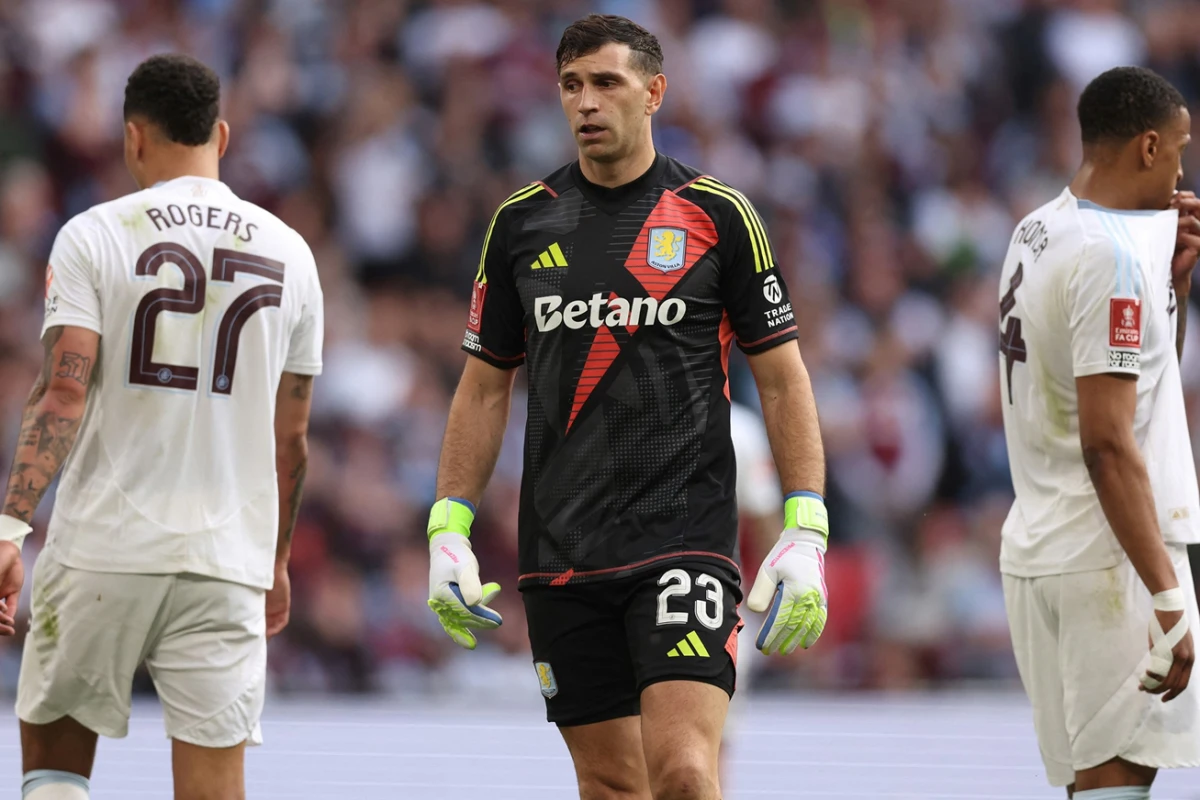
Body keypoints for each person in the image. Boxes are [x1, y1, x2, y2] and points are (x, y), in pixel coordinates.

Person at [425, 14, 829, 800]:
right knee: (612, 786)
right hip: (562, 549)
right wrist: (448, 527)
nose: (586, 102)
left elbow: (783, 377)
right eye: (571, 85)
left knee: (685, 772)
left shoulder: (717, 214)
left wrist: (805, 522)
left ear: (654, 92)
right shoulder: (520, 223)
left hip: (684, 538)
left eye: (606, 82)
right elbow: (483, 386)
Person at [0, 54, 324, 800]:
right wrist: (275, 561)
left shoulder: (94, 235)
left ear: (133, 137)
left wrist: (11, 529)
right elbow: (292, 438)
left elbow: (62, 393)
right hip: (227, 559)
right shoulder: (291, 254)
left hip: (103, 547)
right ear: (222, 135)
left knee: (55, 769)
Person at [997, 65, 1200, 799]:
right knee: (1117, 781)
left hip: (1041, 546)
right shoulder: (1108, 258)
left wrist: (1173, 288)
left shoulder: (1036, 230)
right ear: (1148, 147)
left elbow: (1136, 386)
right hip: (1109, 556)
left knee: (1096, 785)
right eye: (1179, 150)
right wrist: (1167, 593)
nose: (1182, 170)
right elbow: (1108, 442)